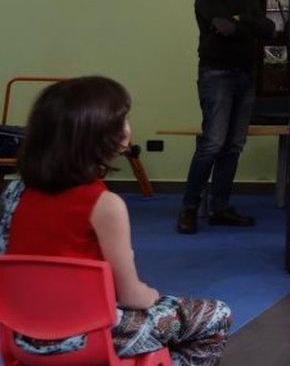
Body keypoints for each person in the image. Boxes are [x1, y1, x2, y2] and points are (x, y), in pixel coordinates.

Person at [0, 76, 232, 364]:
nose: (127, 130)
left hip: (21, 336)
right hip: (90, 337)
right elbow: (132, 296)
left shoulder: (14, 193)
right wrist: (153, 296)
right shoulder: (105, 205)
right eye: (122, 121)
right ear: (102, 136)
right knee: (215, 315)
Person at [178, 0, 275, 234]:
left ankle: (220, 208)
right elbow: (223, 27)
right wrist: (245, 25)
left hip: (244, 78)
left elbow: (269, 29)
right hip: (216, 76)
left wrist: (241, 21)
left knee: (233, 146)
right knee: (212, 144)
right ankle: (189, 209)